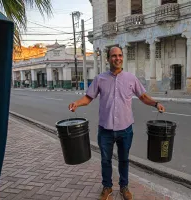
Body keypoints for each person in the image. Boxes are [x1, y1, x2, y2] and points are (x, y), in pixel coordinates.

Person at [68, 46, 165, 200]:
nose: (117, 58)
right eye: (114, 56)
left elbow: (143, 96)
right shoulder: (100, 79)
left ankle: (124, 187)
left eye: (120, 55)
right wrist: (77, 104)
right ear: (108, 59)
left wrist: (156, 103)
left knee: (124, 159)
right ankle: (107, 187)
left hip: (125, 129)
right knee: (105, 160)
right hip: (105, 129)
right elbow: (88, 97)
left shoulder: (130, 78)